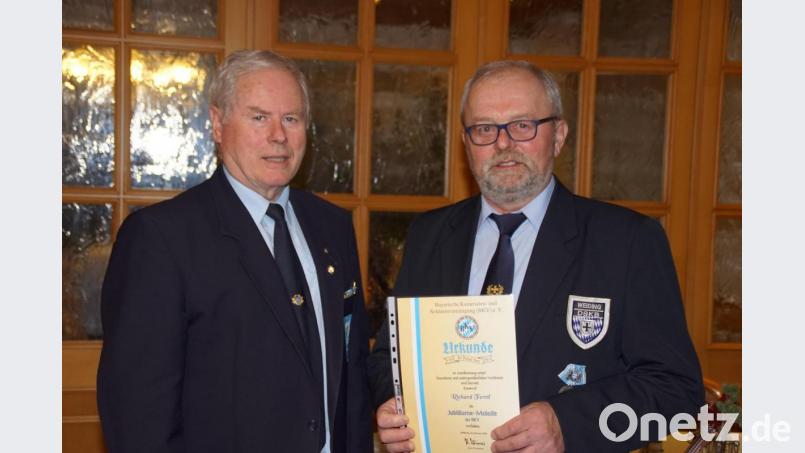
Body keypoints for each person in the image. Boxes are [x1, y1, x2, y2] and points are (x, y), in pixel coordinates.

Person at [367, 60, 703, 452]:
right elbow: (388, 360)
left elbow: (676, 391)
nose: (503, 144)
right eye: (485, 129)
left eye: (523, 125)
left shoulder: (626, 241)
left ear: (558, 135)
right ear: (466, 142)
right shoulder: (430, 234)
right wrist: (392, 406)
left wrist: (567, 424)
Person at [97, 50, 372, 453]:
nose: (278, 135)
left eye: (291, 119)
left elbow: (352, 373)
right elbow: (137, 414)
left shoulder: (332, 225)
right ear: (217, 124)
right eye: (259, 117)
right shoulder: (160, 238)